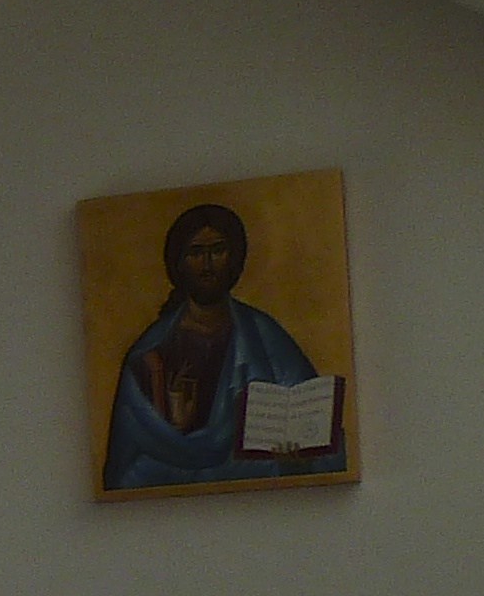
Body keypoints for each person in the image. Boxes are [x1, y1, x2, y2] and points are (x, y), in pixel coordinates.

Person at [102, 202, 343, 490]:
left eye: (217, 250)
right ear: (178, 263)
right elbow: (125, 464)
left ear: (234, 258)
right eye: (195, 253)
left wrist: (299, 457)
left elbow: (314, 425)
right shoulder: (150, 353)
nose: (207, 265)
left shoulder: (264, 336)